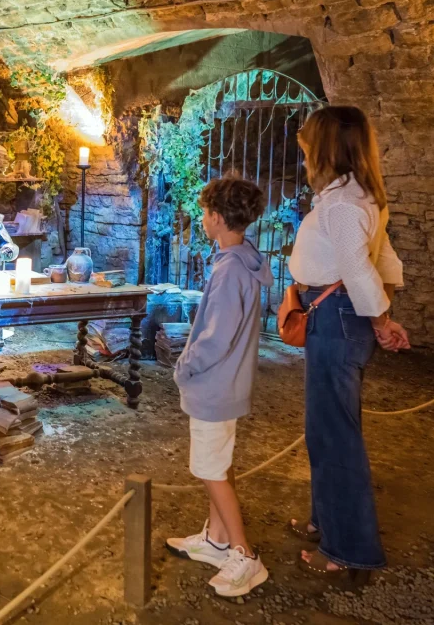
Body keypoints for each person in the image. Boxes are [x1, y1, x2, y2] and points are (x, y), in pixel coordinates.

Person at [287, 106, 410, 583]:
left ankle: (348, 548)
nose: (303, 154)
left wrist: (380, 319)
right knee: (326, 428)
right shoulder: (361, 196)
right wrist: (384, 315)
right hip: (343, 317)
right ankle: (326, 520)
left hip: (337, 320)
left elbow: (361, 269)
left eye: (308, 145)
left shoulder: (340, 204)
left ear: (326, 149)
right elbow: (386, 257)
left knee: (335, 434)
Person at [166, 176, 273, 598]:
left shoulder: (230, 270)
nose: (202, 219)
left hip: (213, 385)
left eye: (205, 213)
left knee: (209, 469)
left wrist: (184, 367)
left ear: (217, 217)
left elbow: (215, 336)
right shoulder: (243, 258)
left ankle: (244, 556)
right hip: (229, 384)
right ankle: (216, 540)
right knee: (218, 463)